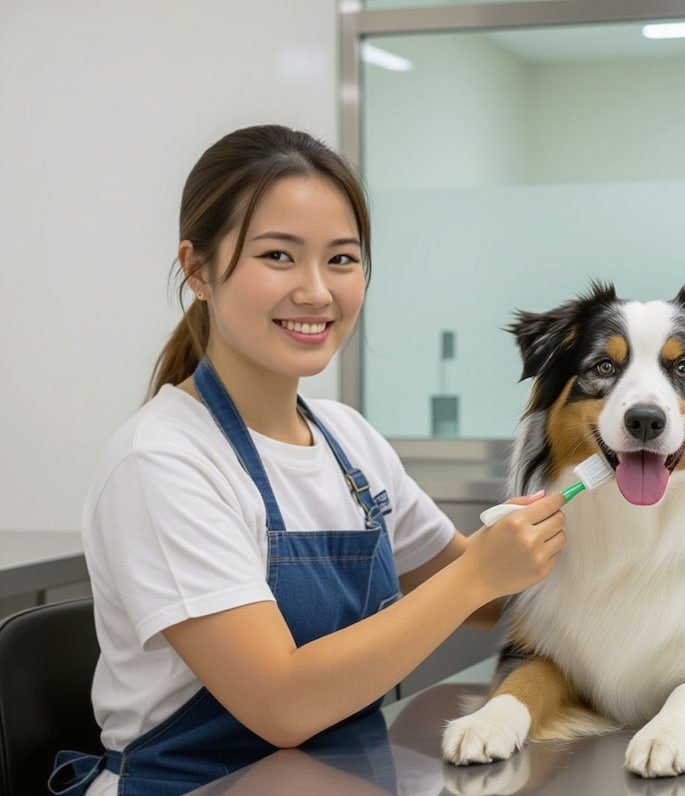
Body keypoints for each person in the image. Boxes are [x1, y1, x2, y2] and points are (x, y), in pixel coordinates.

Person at [50, 124, 566, 796]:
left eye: (342, 259)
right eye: (278, 256)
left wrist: (588, 504)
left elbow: (488, 601)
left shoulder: (349, 440)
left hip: (338, 778)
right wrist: (478, 575)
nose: (317, 291)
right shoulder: (161, 462)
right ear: (198, 270)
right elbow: (283, 704)